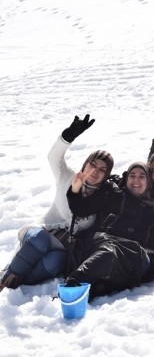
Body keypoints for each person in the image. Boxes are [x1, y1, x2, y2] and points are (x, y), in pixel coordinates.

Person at [0, 115, 114, 292]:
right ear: (85, 164)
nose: (95, 171)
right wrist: (67, 137)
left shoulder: (103, 198)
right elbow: (53, 157)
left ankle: (19, 283)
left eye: (102, 169)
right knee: (40, 240)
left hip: (62, 247)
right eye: (93, 165)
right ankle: (6, 278)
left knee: (57, 262)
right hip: (41, 232)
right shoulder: (67, 177)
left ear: (106, 176)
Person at [65, 162, 154, 299]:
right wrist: (75, 189)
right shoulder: (114, 195)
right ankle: (74, 287)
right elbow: (80, 209)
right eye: (132, 175)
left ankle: (76, 291)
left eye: (142, 176)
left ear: (149, 182)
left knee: (127, 255)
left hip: (132, 254)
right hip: (102, 244)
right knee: (110, 250)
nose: (136, 180)